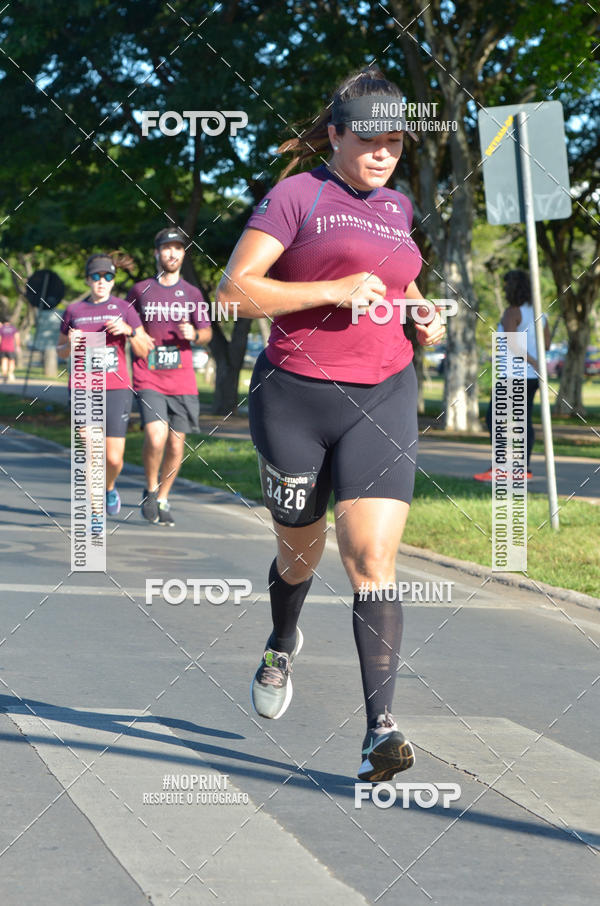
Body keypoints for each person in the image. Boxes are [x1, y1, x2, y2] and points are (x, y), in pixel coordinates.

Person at [216, 68, 445, 783]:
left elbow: (398, 283)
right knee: (299, 551)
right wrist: (331, 289)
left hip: (384, 391)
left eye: (397, 142)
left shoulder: (400, 209)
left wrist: (419, 313)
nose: (383, 153)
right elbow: (236, 293)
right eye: (371, 140)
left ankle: (380, 731)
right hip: (295, 398)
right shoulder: (297, 196)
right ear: (338, 134)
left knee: (371, 558)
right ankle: (282, 639)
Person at [127, 228, 212, 526]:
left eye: (178, 248)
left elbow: (207, 331)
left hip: (182, 379)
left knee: (177, 444)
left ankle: (163, 496)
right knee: (155, 435)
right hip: (148, 374)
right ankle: (150, 489)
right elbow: (127, 320)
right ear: (157, 253)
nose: (172, 253)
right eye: (166, 248)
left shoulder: (193, 294)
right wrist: (135, 334)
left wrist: (196, 334)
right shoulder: (140, 290)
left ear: (183, 254)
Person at [57, 253, 146, 515]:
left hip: (116, 387)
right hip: (84, 385)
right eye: (96, 276)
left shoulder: (124, 308)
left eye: (107, 276)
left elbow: (144, 348)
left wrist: (128, 331)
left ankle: (109, 488)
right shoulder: (75, 310)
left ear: (113, 280)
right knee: (90, 449)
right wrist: (69, 345)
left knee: (113, 458)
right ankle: (95, 511)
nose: (101, 281)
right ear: (87, 280)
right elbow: (60, 350)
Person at [474, 269, 550, 481]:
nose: (505, 288)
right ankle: (523, 469)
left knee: (494, 419)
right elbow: (548, 345)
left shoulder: (512, 312)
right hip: (532, 377)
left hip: (513, 375)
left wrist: (531, 360)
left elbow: (512, 343)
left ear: (514, 288)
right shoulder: (540, 314)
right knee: (523, 420)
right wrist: (536, 362)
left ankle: (499, 468)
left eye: (507, 285)